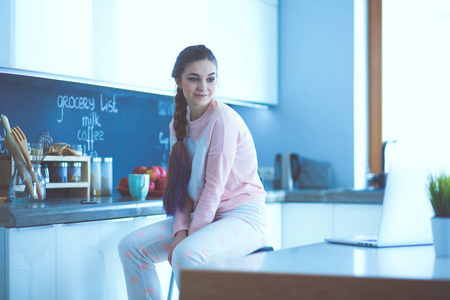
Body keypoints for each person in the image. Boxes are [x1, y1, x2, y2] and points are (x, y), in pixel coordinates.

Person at [118, 45, 268, 299]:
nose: (204, 87)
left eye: (210, 79)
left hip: (244, 218)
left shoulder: (223, 120)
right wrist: (180, 232)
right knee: (130, 247)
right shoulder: (177, 125)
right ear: (178, 82)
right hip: (206, 215)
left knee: (186, 255)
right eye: (194, 78)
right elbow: (180, 189)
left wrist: (186, 239)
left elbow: (213, 188)